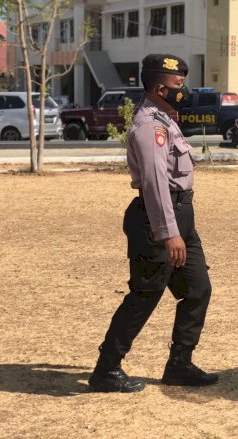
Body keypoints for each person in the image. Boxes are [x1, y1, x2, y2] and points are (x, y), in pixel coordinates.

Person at [88, 54, 217, 393]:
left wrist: (180, 227)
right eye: (178, 85)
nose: (183, 90)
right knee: (145, 294)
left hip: (181, 215)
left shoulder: (167, 120)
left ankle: (180, 364)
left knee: (197, 289)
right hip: (157, 219)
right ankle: (107, 369)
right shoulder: (150, 125)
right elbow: (155, 182)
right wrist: (168, 231)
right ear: (160, 87)